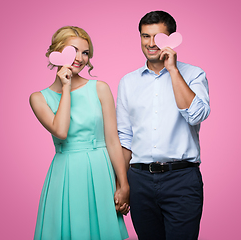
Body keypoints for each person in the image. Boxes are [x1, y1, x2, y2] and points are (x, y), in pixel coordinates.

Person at [116, 11, 210, 240]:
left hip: (181, 179)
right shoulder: (128, 82)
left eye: (157, 37)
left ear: (171, 39)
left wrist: (173, 70)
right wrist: (122, 184)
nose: (150, 44)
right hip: (139, 180)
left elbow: (196, 115)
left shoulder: (193, 74)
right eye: (145, 36)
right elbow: (124, 136)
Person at [30, 26, 129, 240]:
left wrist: (123, 184)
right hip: (66, 173)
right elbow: (61, 130)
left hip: (101, 170)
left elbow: (113, 140)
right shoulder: (38, 98)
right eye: (73, 50)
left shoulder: (100, 88)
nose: (80, 58)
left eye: (85, 52)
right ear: (56, 51)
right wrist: (66, 87)